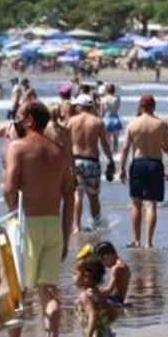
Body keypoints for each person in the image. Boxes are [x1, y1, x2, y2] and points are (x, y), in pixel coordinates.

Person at [0, 101, 74, 337]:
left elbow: (8, 188)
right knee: (48, 290)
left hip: (26, 225)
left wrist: (15, 213)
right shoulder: (59, 152)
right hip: (52, 224)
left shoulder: (18, 147)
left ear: (28, 120)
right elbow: (69, 197)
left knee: (18, 292)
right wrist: (65, 232)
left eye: (19, 116)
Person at [119, 95, 168, 248]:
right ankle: (148, 242)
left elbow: (125, 149)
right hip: (155, 164)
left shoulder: (133, 124)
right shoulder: (161, 124)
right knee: (151, 205)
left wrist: (121, 169)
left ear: (140, 106)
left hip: (138, 163)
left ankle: (136, 240)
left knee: (136, 204)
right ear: (154, 106)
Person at [67, 94, 116, 234]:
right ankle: (96, 224)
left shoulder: (71, 121)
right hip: (92, 162)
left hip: (75, 161)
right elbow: (105, 144)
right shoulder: (97, 122)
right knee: (93, 196)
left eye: (77, 105)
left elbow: (64, 143)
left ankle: (77, 226)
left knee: (78, 194)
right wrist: (111, 160)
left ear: (80, 106)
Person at [101, 83, 124, 152]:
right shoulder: (117, 98)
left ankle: (108, 152)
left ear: (106, 90)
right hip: (115, 118)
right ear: (114, 90)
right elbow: (117, 108)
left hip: (106, 119)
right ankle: (115, 152)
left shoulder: (103, 99)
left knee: (107, 139)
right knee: (116, 139)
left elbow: (102, 112)